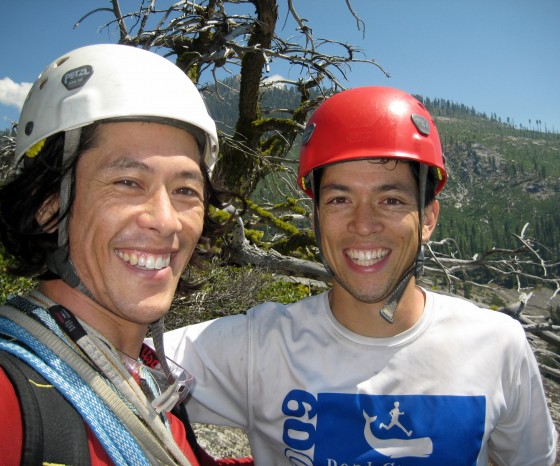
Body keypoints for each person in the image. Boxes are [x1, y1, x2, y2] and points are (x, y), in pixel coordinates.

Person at [161, 87, 558, 465]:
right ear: (315, 217)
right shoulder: (256, 348)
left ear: (428, 219)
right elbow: (114, 366)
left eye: (391, 200)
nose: (363, 224)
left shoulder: (498, 345)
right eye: (339, 199)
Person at [0, 44, 252, 466]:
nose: (167, 221)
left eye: (186, 190)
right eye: (128, 182)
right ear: (49, 206)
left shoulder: (147, 388)